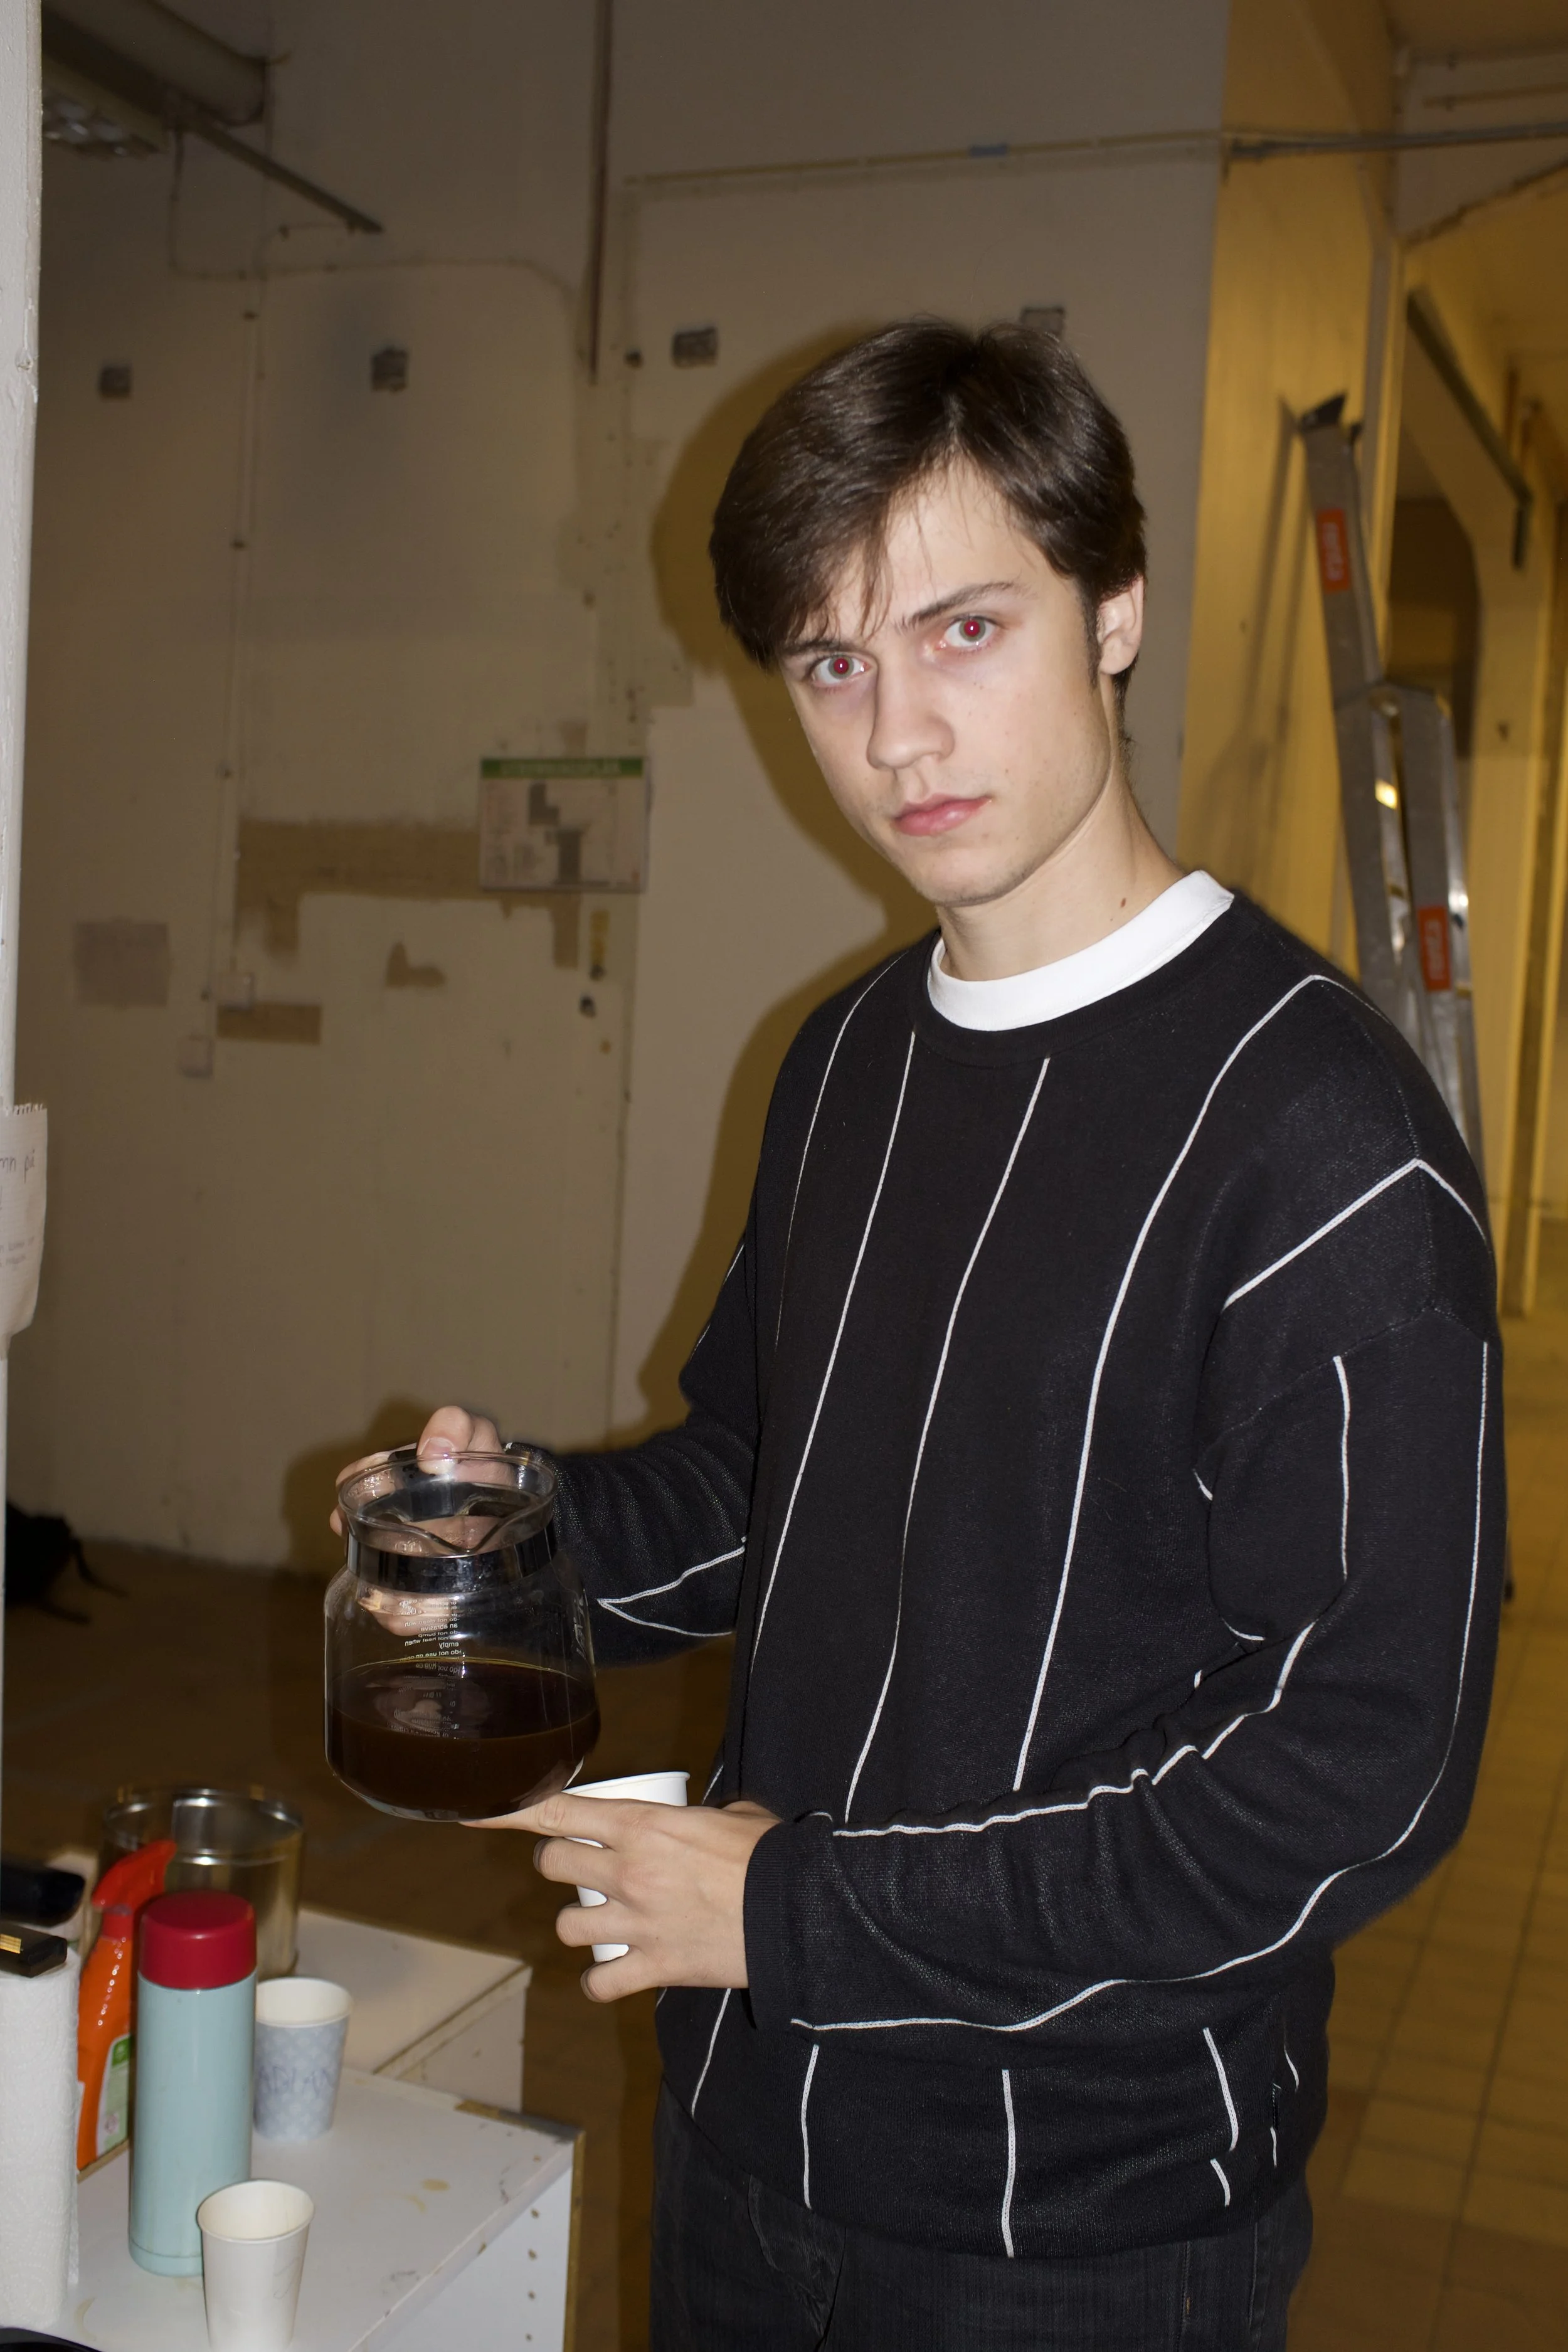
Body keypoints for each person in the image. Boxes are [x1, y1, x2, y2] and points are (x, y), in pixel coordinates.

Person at [403, 322, 1504, 2348]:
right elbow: (765, 1484)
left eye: (963, 629)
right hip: (748, 2131)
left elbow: (1357, 1767)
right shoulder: (840, 1065)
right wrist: (511, 1540)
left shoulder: (1320, 1143)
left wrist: (800, 1912)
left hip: (1079, 2225)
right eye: (831, 664)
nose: (897, 733)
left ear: (1114, 610)